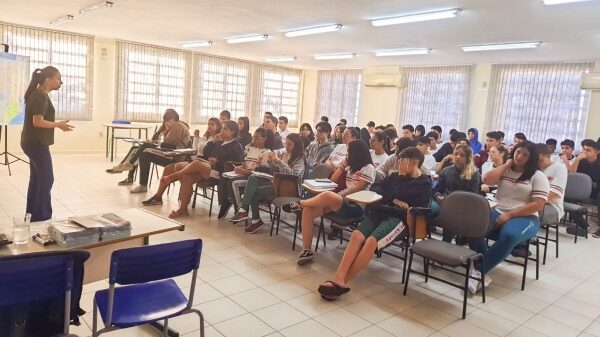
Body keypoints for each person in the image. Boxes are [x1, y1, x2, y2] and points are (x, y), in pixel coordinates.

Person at [316, 148, 432, 300]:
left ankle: (341, 282)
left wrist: (399, 184)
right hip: (381, 211)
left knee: (371, 241)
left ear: (414, 162)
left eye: (402, 161)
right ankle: (339, 277)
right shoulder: (395, 176)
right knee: (356, 235)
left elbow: (404, 192)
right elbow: (377, 189)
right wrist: (394, 200)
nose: (398, 164)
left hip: (400, 219)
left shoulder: (424, 183)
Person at [468, 141, 549, 293]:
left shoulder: (538, 176)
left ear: (532, 158)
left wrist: (509, 215)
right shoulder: (506, 170)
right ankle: (482, 267)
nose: (520, 156)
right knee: (473, 224)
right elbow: (486, 180)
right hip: (498, 209)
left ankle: (478, 272)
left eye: (525, 155)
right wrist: (506, 164)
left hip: (526, 216)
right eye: (518, 152)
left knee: (509, 235)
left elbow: (538, 205)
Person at [282, 139, 376, 264]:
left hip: (355, 207)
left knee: (328, 195)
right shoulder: (351, 167)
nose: (347, 154)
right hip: (340, 203)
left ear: (357, 153)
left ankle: (299, 204)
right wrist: (343, 166)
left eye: (349, 152)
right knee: (308, 211)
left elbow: (357, 188)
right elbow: (333, 180)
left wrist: (339, 195)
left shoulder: (368, 168)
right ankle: (307, 250)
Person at [144, 121, 244, 218]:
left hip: (219, 172)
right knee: (180, 170)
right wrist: (212, 142)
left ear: (233, 132)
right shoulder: (218, 142)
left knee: (196, 164)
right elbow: (205, 153)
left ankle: (173, 177)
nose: (222, 131)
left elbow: (235, 164)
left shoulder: (237, 146)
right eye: (222, 128)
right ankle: (180, 208)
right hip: (206, 166)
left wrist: (217, 161)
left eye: (225, 129)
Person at [21, 66, 73, 221]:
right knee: (46, 180)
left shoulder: (39, 94)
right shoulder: (40, 96)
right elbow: (38, 122)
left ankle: (32, 216)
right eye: (58, 78)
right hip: (36, 144)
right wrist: (58, 124)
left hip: (32, 143)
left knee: (37, 180)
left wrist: (57, 124)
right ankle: (41, 218)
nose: (60, 82)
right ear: (48, 80)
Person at [229, 133, 306, 233]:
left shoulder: (300, 158)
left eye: (290, 144)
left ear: (297, 145)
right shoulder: (284, 153)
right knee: (253, 178)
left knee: (254, 191)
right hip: (277, 183)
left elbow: (295, 175)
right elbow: (275, 170)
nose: (286, 146)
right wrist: (271, 161)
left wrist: (278, 162)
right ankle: (248, 214)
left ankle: (249, 215)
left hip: (288, 190)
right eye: (286, 143)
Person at [216, 128, 275, 218]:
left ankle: (240, 209)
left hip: (253, 178)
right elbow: (245, 163)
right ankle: (226, 203)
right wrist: (240, 168)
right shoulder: (251, 149)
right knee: (223, 178)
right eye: (253, 137)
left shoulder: (267, 152)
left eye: (256, 137)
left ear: (264, 139)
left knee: (233, 182)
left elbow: (261, 173)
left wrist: (244, 171)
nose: (253, 139)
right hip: (244, 173)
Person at [129, 109, 191, 193]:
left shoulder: (177, 126)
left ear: (172, 119)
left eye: (167, 120)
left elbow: (168, 142)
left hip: (174, 158)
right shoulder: (178, 125)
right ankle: (131, 167)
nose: (166, 123)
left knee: (145, 154)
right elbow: (166, 142)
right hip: (171, 155)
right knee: (145, 151)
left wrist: (167, 131)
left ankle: (140, 182)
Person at [433, 144, 482, 242]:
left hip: (463, 205)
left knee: (451, 212)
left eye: (462, 155)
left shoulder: (474, 174)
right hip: (445, 202)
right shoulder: (447, 171)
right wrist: (438, 197)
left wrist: (454, 203)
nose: (458, 157)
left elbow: (474, 196)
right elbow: (436, 190)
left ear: (468, 158)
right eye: (456, 154)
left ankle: (448, 241)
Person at [568, 139, 600, 237]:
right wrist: (577, 160)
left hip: (597, 191)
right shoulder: (581, 161)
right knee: (568, 197)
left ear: (597, 152)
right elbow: (571, 175)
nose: (584, 152)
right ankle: (583, 226)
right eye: (584, 149)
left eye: (588, 150)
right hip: (583, 191)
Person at [536, 143, 567, 231]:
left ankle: (524, 239)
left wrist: (531, 203)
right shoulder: (534, 168)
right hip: (534, 202)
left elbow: (554, 194)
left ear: (548, 156)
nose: (538, 163)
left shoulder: (559, 168)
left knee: (528, 213)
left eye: (541, 160)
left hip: (552, 206)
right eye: (535, 160)